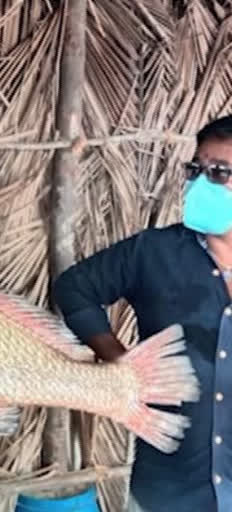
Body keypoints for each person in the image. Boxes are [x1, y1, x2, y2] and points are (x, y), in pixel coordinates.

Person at [52, 114, 232, 512]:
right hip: (166, 495)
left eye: (219, 173)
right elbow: (74, 289)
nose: (201, 183)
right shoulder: (152, 252)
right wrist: (123, 362)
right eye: (195, 170)